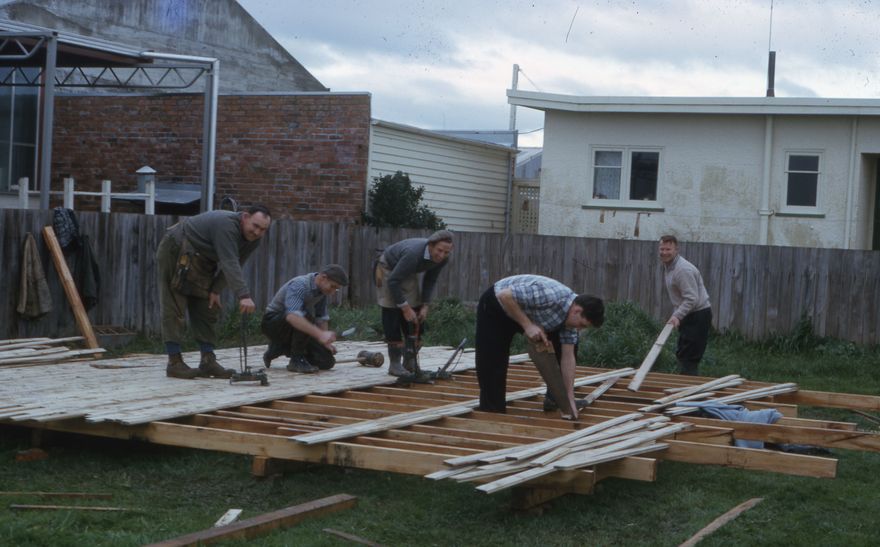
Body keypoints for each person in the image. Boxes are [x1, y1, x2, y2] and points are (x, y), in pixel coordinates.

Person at [157, 205, 271, 379]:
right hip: (177, 247)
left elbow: (237, 263)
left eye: (263, 229)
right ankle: (174, 362)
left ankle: (208, 361)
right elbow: (229, 261)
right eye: (255, 226)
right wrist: (244, 295)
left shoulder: (253, 240)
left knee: (207, 307)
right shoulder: (227, 225)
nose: (257, 232)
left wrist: (215, 290)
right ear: (245, 217)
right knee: (174, 306)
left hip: (203, 260)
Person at [474, 274, 604, 419]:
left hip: (525, 311)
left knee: (569, 346)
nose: (579, 329)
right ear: (577, 311)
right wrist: (528, 325)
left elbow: (568, 358)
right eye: (581, 325)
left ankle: (556, 400)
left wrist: (569, 398)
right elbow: (505, 296)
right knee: (492, 360)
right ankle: (493, 410)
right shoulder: (550, 295)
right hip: (498, 306)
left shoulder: (571, 319)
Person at [375, 230, 453, 376]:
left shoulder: (443, 259)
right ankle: (395, 364)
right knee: (392, 310)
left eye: (446, 252)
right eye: (439, 250)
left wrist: (425, 305)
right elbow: (393, 281)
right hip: (388, 268)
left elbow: (430, 280)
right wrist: (404, 308)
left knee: (416, 313)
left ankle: (410, 362)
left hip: (407, 270)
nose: (441, 255)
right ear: (430, 245)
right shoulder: (413, 254)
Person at [261, 264, 349, 373]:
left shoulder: (322, 292)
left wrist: (326, 343)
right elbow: (292, 316)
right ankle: (296, 360)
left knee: (326, 361)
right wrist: (320, 335)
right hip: (272, 324)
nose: (332, 292)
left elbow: (321, 318)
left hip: (294, 326)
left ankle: (278, 348)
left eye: (336, 289)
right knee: (304, 316)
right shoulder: (300, 285)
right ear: (323, 277)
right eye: (332, 286)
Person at [659, 235, 712, 376]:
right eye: (662, 249)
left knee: (689, 358)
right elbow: (681, 298)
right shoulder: (669, 266)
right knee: (683, 354)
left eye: (668, 249)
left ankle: (690, 391)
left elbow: (691, 298)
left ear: (676, 250)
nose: (664, 252)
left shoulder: (682, 270)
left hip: (698, 315)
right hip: (689, 315)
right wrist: (678, 316)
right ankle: (685, 385)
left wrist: (677, 315)